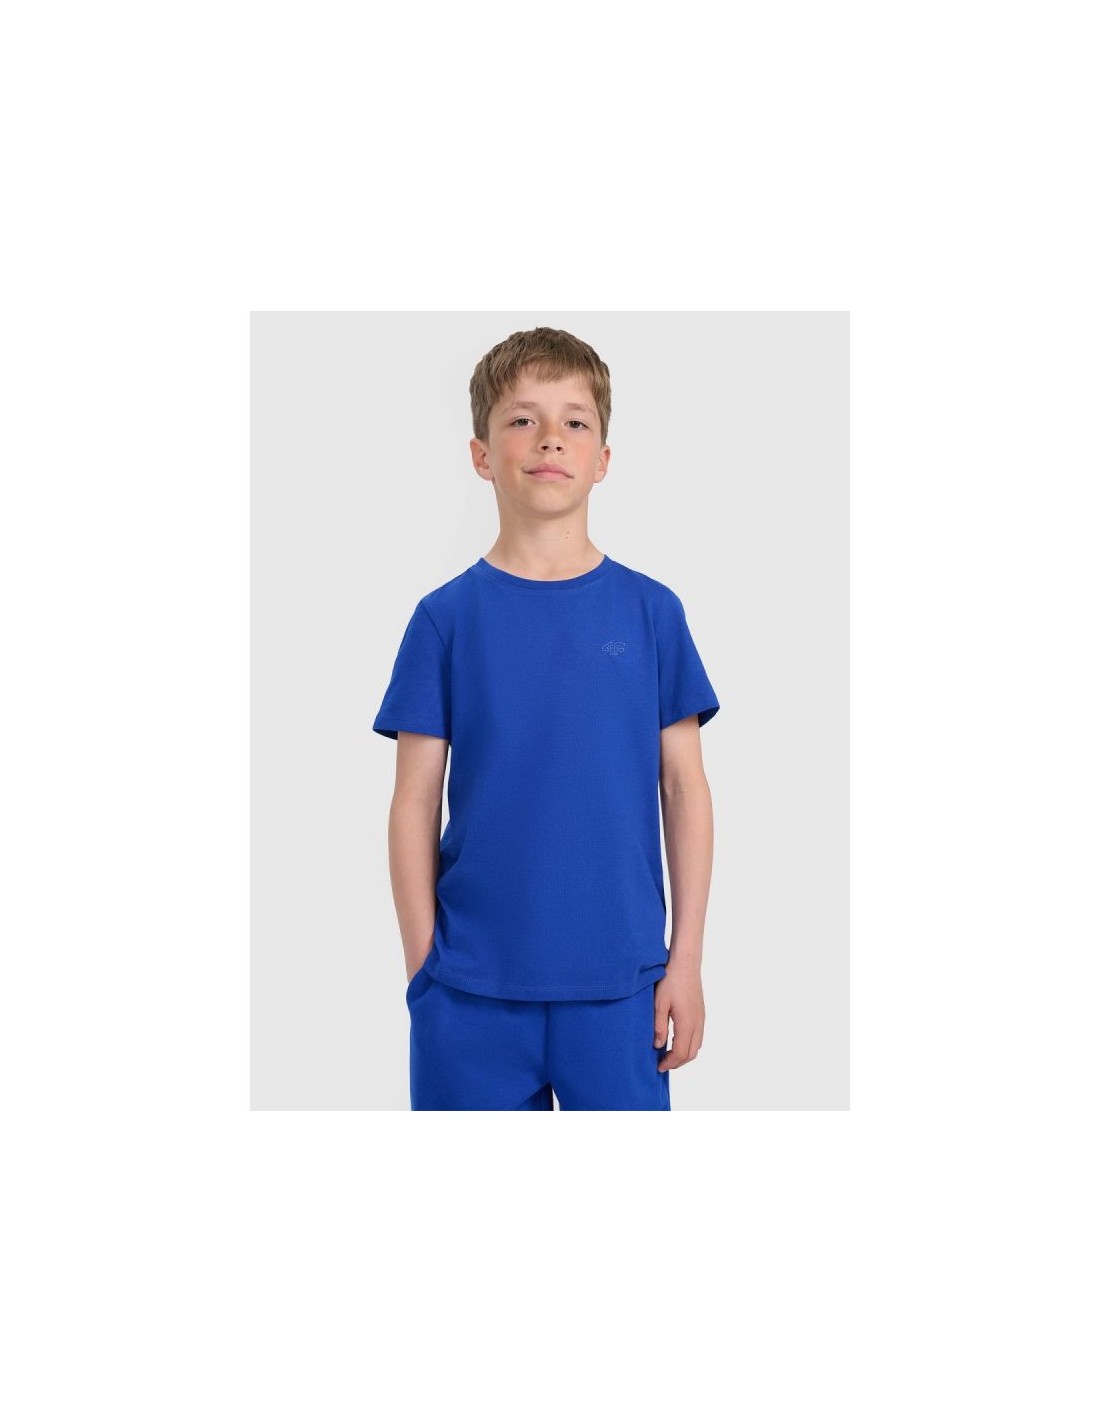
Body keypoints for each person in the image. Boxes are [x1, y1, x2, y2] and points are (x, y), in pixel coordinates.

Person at [372, 326, 719, 1110]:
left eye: (575, 421)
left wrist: (686, 961)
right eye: (523, 419)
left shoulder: (652, 613)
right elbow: (414, 800)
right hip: (470, 991)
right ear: (481, 454)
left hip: (624, 990)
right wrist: (424, 969)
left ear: (603, 459)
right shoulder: (444, 620)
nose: (550, 438)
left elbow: (685, 789)